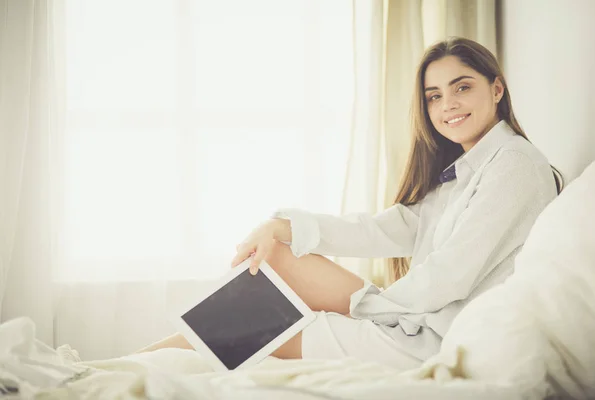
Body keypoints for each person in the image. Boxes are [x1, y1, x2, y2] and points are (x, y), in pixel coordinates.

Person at [136, 37, 562, 371]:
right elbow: (382, 229)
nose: (447, 104)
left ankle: (122, 365)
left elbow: (451, 276)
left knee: (251, 325)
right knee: (274, 253)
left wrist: (371, 310)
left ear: (497, 88)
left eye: (462, 87)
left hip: (433, 341)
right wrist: (284, 225)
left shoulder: (516, 165)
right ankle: (129, 361)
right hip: (412, 322)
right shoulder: (460, 174)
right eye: (434, 95)